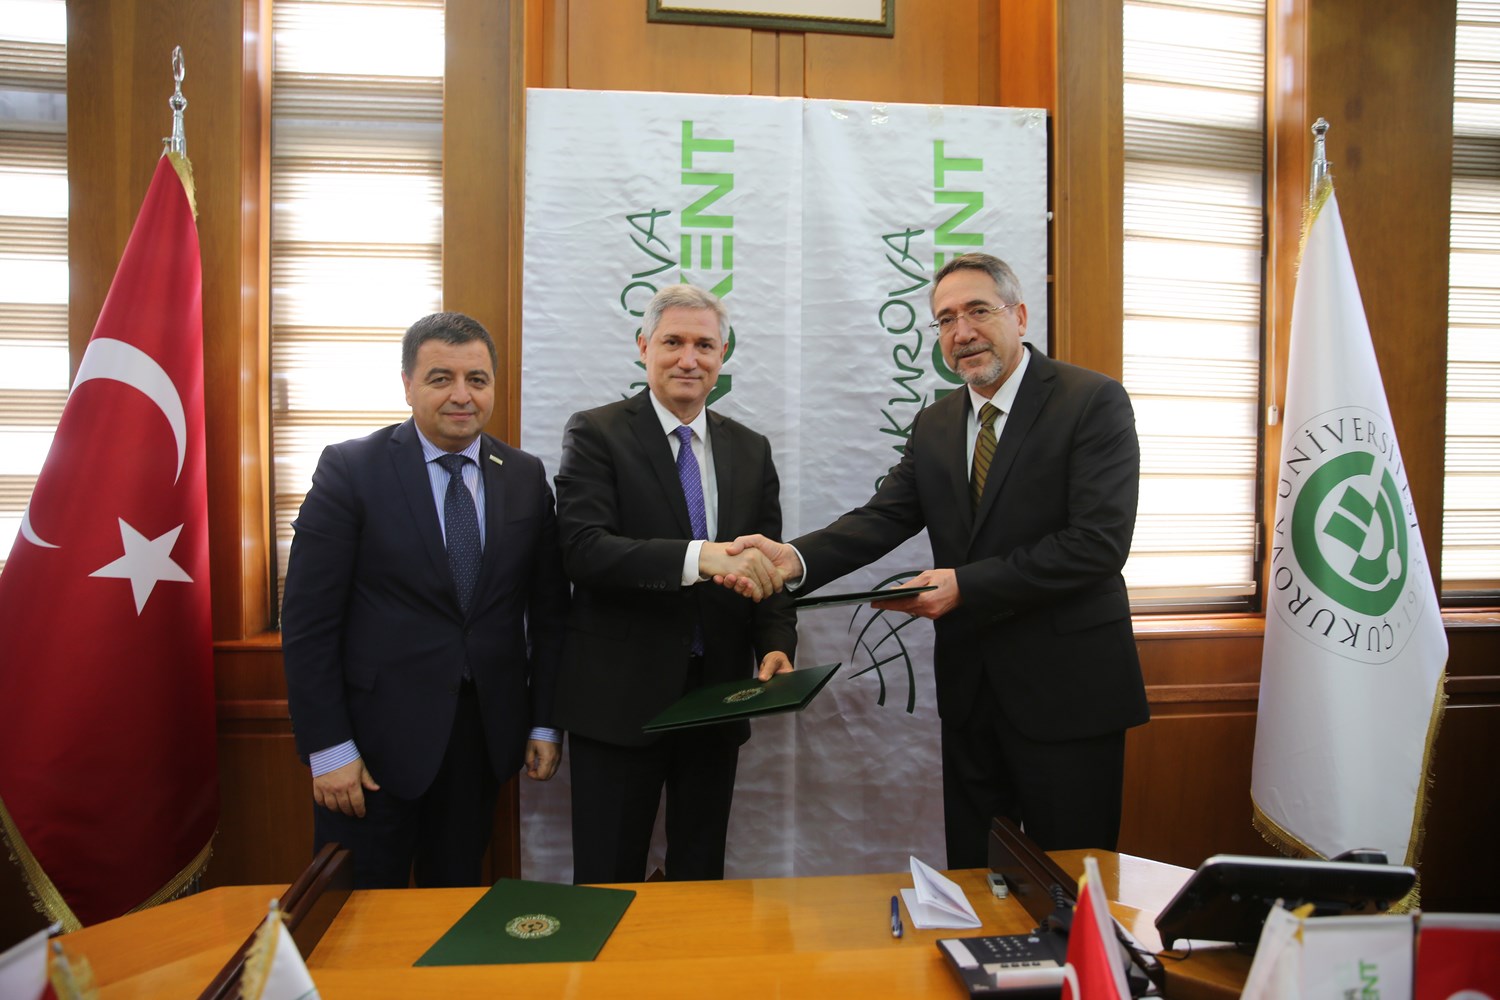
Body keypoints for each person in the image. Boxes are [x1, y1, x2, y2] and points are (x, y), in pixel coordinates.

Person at [723, 253, 1149, 865]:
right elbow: (882, 518)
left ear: (1020, 316)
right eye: (946, 319)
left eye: (978, 311)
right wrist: (792, 559)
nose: (962, 332)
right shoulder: (936, 423)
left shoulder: (1092, 401)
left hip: (1069, 692)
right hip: (972, 689)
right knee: (976, 875)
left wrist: (965, 586)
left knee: (1072, 879)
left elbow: (1098, 544)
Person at [281, 311, 569, 888]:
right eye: (441, 378)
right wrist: (329, 748)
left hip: (480, 744)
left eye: (477, 379)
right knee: (359, 917)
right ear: (408, 385)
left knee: (455, 908)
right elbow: (308, 622)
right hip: (370, 751)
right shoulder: (350, 469)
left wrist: (544, 724)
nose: (462, 395)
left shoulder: (523, 475)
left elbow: (549, 613)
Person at [553, 284, 796, 884]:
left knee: (700, 879)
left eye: (704, 345)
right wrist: (698, 558)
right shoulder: (596, 433)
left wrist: (775, 643)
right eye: (673, 342)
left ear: (722, 355)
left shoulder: (750, 449)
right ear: (644, 347)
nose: (689, 359)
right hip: (618, 703)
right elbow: (583, 551)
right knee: (607, 881)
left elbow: (766, 565)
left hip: (717, 698)